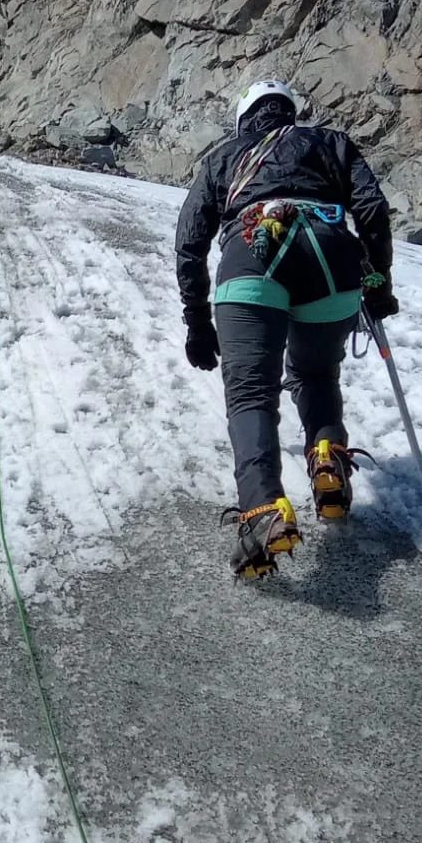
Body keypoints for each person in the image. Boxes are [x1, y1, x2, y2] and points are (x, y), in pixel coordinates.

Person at [175, 79, 399, 579]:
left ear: (245, 118)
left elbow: (189, 244)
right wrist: (378, 284)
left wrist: (197, 322)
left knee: (251, 393)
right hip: (331, 261)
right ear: (289, 112)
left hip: (252, 254)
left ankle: (263, 509)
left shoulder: (223, 156)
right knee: (316, 374)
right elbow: (371, 210)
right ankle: (328, 462)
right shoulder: (332, 143)